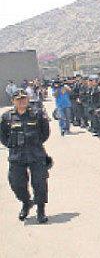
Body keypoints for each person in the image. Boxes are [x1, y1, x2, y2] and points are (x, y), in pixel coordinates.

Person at [0, 89, 51, 223]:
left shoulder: (37, 114)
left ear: (28, 99)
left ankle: (41, 210)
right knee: (16, 183)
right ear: (13, 101)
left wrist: (35, 143)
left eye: (24, 98)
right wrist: (14, 146)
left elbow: (45, 132)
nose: (22, 101)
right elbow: (3, 136)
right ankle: (26, 202)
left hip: (36, 154)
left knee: (39, 183)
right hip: (17, 156)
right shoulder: (6, 117)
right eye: (18, 99)